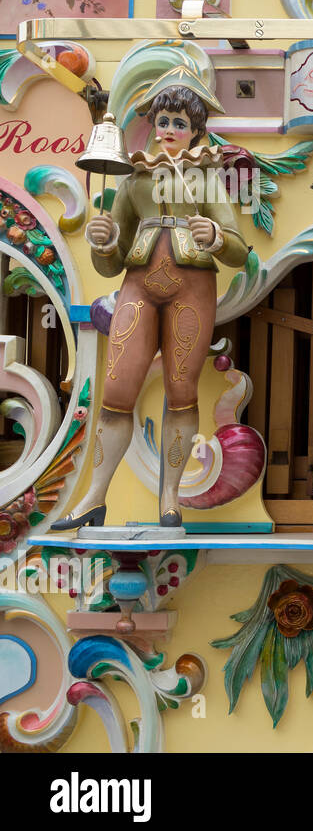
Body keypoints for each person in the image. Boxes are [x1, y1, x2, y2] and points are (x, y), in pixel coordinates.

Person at [51, 66, 249, 530]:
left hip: (192, 290)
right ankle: (95, 497)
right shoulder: (133, 179)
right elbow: (112, 263)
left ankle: (170, 497)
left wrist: (216, 235)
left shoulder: (205, 179)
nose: (170, 132)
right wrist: (102, 241)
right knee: (117, 392)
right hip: (139, 286)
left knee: (182, 393)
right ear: (153, 125)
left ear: (196, 130)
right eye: (164, 122)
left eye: (180, 124)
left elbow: (239, 251)